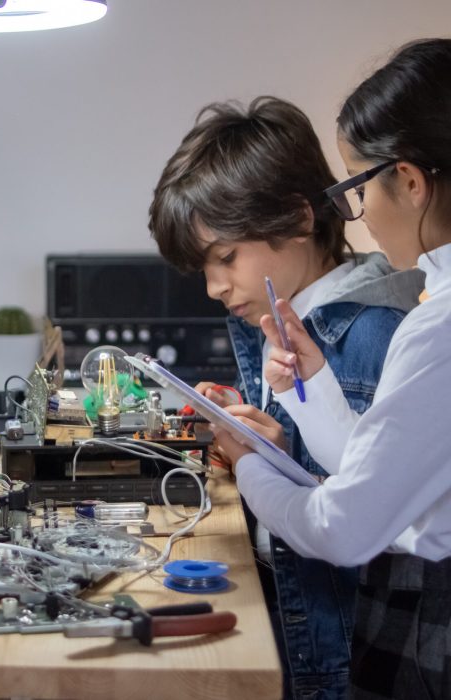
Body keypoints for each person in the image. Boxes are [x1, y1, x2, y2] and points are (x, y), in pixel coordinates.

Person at [148, 96, 424, 700]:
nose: (216, 287)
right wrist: (261, 438)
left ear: (301, 219)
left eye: (225, 258)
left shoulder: (369, 334)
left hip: (337, 651)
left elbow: (378, 533)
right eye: (204, 268)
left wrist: (268, 464)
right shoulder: (290, 320)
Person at [212, 38, 451, 700]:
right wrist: (315, 388)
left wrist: (251, 462)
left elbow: (345, 528)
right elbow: (393, 478)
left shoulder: (437, 327)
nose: (360, 213)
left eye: (357, 185)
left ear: (408, 180)